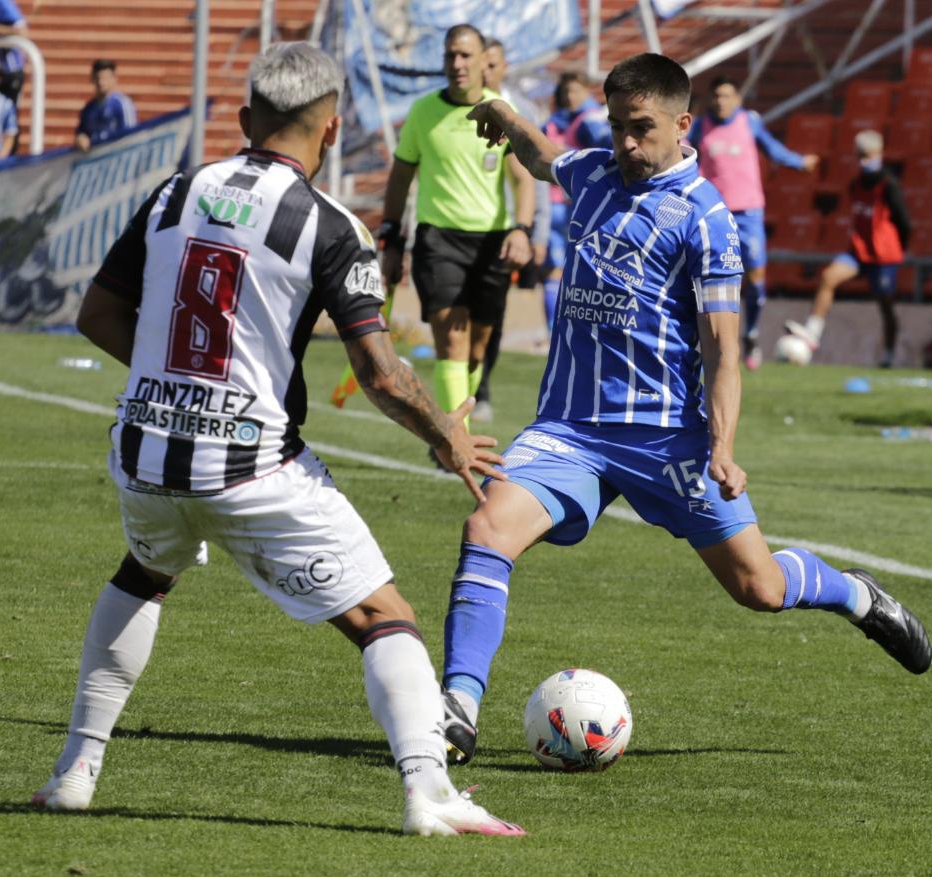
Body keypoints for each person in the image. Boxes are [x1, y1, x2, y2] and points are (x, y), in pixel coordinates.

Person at [29, 42, 524, 838]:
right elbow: (380, 372)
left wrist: (178, 380)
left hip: (146, 451)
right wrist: (446, 437)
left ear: (243, 119)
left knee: (144, 573)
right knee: (384, 615)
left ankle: (74, 772)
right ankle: (430, 794)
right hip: (252, 466)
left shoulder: (173, 193)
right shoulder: (330, 225)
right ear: (332, 130)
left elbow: (97, 314)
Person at [437, 53, 932, 767]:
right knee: (486, 528)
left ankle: (855, 594)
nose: (625, 142)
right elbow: (544, 156)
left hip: (667, 439)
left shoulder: (707, 219)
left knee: (759, 587)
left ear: (681, 125)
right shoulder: (593, 172)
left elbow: (724, 349)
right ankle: (456, 708)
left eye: (640, 128)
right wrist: (506, 116)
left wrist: (722, 446)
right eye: (616, 126)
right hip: (568, 429)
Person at [379, 24, 535, 436]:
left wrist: (522, 229)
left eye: (466, 55)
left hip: (491, 243)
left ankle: (459, 422)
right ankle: (454, 440)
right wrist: (391, 237)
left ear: (485, 60)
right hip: (438, 239)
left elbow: (523, 179)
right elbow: (400, 177)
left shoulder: (502, 110)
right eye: (451, 55)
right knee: (452, 339)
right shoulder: (423, 112)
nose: (457, 63)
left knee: (477, 345)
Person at [687, 75, 819, 370]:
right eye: (716, 96)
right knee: (708, 276)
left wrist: (799, 162)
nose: (721, 101)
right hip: (713, 212)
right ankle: (707, 340)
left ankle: (752, 333)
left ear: (737, 99)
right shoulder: (700, 126)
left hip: (748, 212)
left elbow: (773, 149)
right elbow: (683, 153)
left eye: (726, 96)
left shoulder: (749, 122)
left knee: (756, 277)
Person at [469, 37, 552, 423]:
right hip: (459, 228)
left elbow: (539, 176)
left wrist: (536, 231)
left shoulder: (523, 113)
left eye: (493, 64)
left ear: (503, 68)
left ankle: (481, 387)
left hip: (505, 232)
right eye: (481, 63)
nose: (486, 71)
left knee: (491, 314)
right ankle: (461, 387)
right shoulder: (458, 110)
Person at [784, 129, 910, 367]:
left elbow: (904, 222)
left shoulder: (889, 185)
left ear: (879, 154)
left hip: (884, 255)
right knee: (829, 277)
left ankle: (888, 354)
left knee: (885, 303)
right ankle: (813, 333)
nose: (864, 160)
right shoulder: (855, 185)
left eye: (868, 155)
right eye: (860, 155)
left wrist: (899, 248)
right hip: (858, 251)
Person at [540, 72, 611, 346]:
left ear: (587, 92)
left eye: (576, 91)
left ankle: (582, 331)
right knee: (554, 268)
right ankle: (553, 332)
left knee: (583, 268)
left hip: (580, 205)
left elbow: (605, 146)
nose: (571, 97)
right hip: (554, 204)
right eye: (566, 92)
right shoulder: (553, 123)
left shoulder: (590, 120)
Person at [74, 59, 138, 152]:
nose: (101, 82)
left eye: (105, 78)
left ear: (114, 79)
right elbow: (81, 133)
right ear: (92, 79)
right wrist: (80, 138)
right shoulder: (88, 109)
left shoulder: (122, 104)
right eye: (98, 78)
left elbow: (130, 136)